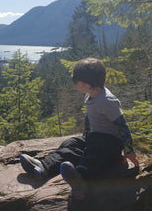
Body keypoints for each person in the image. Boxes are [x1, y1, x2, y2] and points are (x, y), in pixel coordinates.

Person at [20, 57, 140, 200]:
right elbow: (90, 116)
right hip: (94, 137)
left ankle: (81, 179)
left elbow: (122, 125)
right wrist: (85, 137)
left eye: (76, 81)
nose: (74, 83)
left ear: (84, 84)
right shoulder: (90, 95)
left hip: (111, 143)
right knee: (71, 144)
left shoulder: (108, 101)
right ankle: (44, 167)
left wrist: (129, 151)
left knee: (95, 155)